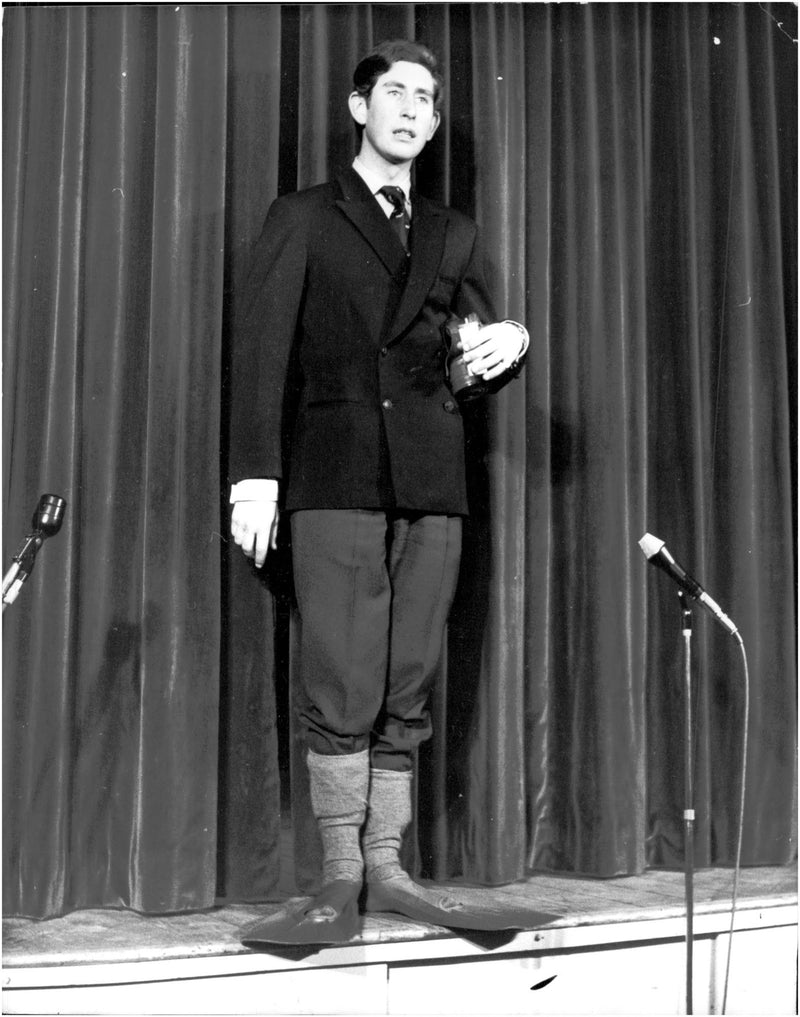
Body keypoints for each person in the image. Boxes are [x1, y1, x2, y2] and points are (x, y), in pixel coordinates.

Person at [229, 40, 530, 945]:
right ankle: (340, 873)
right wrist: (255, 472)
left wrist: (503, 347)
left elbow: (463, 350)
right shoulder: (305, 216)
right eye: (394, 92)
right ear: (359, 108)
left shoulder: (451, 231)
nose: (412, 109)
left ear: (435, 124)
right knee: (343, 672)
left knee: (407, 676)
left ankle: (389, 867)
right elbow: (261, 352)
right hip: (336, 471)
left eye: (427, 99)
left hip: (432, 478)